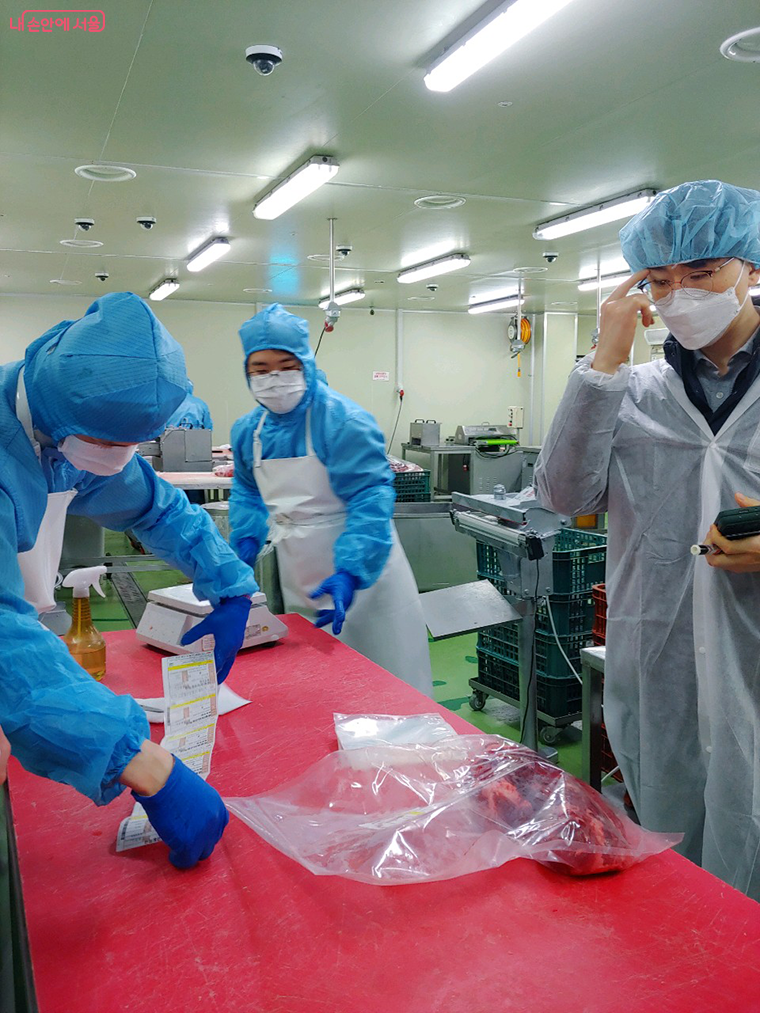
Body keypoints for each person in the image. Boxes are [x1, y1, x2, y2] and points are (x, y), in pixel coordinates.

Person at [534, 179, 760, 900]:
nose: (680, 294)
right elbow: (561, 496)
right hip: (659, 669)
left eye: (703, 274)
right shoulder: (633, 393)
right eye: (660, 280)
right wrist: (605, 357)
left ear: (751, 268)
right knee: (676, 863)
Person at [0, 292, 258, 867]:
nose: (121, 456)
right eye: (110, 442)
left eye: (132, 443)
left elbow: (156, 508)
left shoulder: (64, 439)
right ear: (58, 406)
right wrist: (144, 762)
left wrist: (229, 582)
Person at [228, 303, 433, 696]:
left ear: (304, 361)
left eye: (285, 365)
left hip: (367, 571)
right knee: (319, 686)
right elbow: (247, 492)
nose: (273, 378)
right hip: (299, 568)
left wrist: (352, 571)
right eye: (260, 368)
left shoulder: (342, 420)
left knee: (388, 684)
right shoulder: (248, 431)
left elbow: (369, 498)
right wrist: (246, 542)